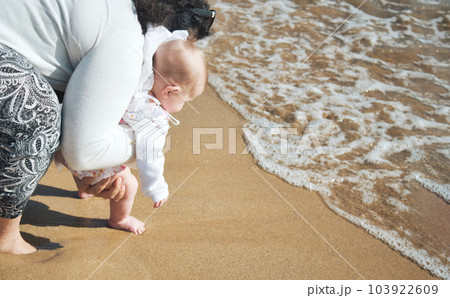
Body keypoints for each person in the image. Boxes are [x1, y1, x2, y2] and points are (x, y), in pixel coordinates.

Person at [0, 0, 214, 254]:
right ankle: (6, 237)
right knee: (41, 113)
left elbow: (81, 102)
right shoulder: (128, 44)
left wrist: (85, 163)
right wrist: (147, 150)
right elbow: (81, 150)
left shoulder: (119, 14)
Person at [61, 36, 208, 235]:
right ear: (170, 90)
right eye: (185, 102)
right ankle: (119, 219)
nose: (182, 108)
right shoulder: (151, 115)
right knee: (129, 185)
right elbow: (151, 156)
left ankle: (83, 186)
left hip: (73, 142)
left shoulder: (133, 81)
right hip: (93, 157)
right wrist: (157, 188)